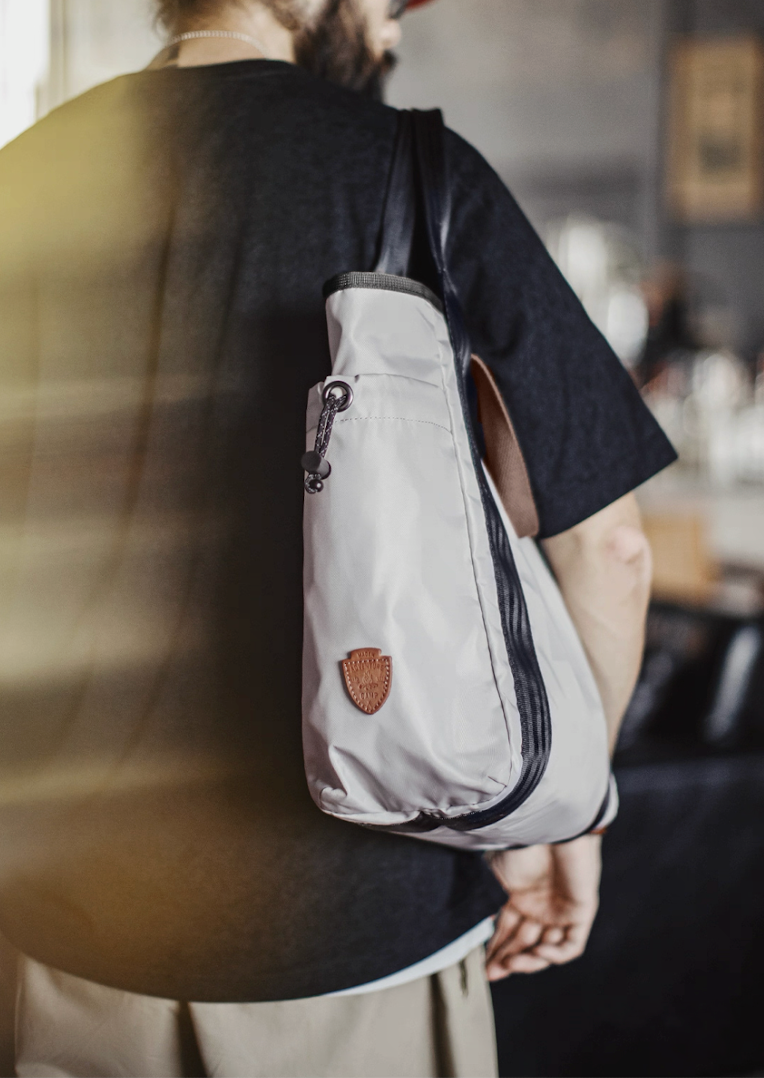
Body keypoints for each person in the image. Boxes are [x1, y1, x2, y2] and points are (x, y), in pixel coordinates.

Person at [0, 0, 675, 1074]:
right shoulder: (417, 173)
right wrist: (559, 818)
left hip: (65, 931)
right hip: (364, 934)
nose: (393, 30)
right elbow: (608, 549)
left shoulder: (21, 180)